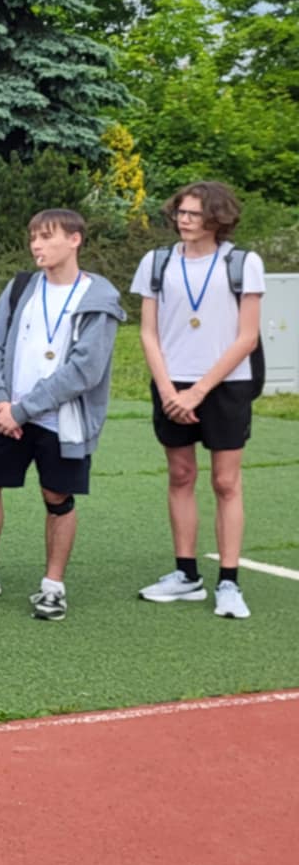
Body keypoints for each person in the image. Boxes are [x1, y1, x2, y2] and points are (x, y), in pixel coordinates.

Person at [0, 209, 124, 621]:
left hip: (60, 421)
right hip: (8, 413)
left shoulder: (99, 299)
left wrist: (22, 410)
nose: (37, 245)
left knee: (57, 497)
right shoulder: (21, 287)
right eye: (33, 236)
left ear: (75, 239)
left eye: (47, 236)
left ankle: (53, 587)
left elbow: (85, 370)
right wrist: (1, 400)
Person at [131, 181, 265, 619]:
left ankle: (229, 581)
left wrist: (199, 391)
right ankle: (186, 574)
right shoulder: (156, 262)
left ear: (217, 219)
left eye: (194, 214)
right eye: (180, 213)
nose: (184, 220)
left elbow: (247, 338)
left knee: (225, 482)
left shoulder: (243, 263)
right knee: (181, 474)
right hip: (171, 383)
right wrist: (169, 390)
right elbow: (148, 333)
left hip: (225, 384)